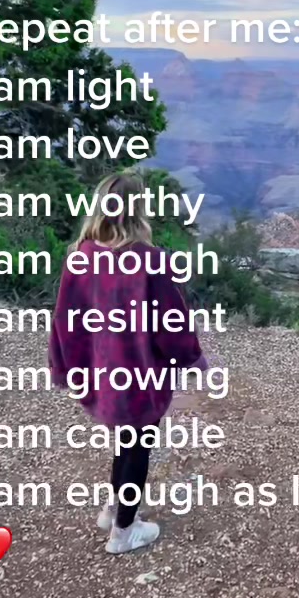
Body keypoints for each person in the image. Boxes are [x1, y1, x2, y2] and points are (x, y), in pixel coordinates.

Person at [49, 171, 207, 555]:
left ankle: (113, 510)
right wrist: (192, 357)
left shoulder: (81, 256)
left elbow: (65, 321)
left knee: (124, 441)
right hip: (140, 376)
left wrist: (65, 368)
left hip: (102, 374)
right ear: (138, 210)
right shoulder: (151, 261)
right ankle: (124, 531)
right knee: (137, 448)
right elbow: (172, 324)